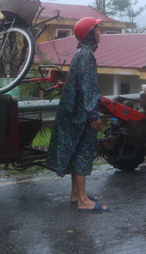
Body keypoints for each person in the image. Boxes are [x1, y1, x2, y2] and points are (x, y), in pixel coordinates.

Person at [46, 17, 109, 212]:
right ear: (90, 33)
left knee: (75, 152)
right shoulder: (87, 55)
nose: (100, 33)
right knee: (82, 153)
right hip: (81, 115)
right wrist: (93, 115)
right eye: (97, 29)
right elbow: (87, 88)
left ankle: (76, 194)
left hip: (72, 112)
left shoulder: (80, 53)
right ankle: (83, 200)